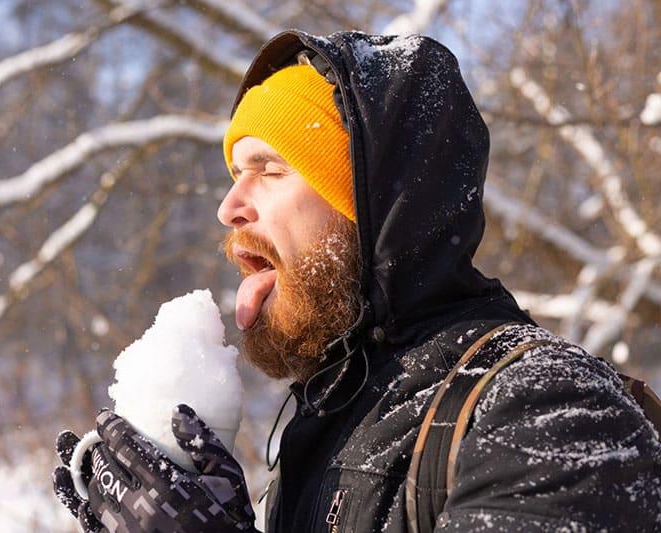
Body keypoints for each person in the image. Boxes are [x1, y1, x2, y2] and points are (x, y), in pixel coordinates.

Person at [52, 30, 661, 532]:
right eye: (236, 171)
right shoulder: (332, 424)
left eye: (269, 168)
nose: (229, 206)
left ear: (373, 205)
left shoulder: (541, 412)